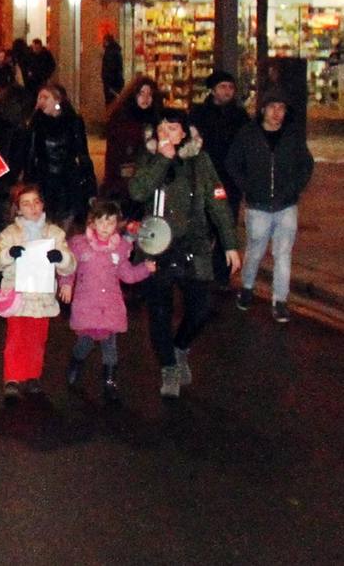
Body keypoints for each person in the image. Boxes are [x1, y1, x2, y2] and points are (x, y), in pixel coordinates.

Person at [129, 109, 240, 399]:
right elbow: (137, 191)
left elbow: (218, 201)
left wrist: (230, 244)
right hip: (156, 246)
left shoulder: (200, 161)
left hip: (193, 245)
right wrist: (161, 160)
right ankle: (169, 366)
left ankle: (180, 348)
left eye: (173, 129)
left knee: (201, 310)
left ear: (185, 133)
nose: (166, 134)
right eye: (161, 129)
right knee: (160, 312)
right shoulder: (149, 157)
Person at [225, 91, 313, 324]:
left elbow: (306, 164)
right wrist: (248, 187)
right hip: (258, 206)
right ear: (263, 109)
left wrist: (294, 188)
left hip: (286, 205)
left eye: (281, 108)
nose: (277, 112)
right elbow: (232, 163)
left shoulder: (292, 136)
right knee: (255, 250)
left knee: (283, 253)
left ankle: (280, 300)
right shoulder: (248, 134)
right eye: (272, 107)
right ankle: (247, 287)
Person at [0, 183, 77, 400]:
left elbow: (70, 265)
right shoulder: (10, 234)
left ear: (43, 204)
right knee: (16, 338)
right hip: (18, 296)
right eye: (26, 204)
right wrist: (9, 254)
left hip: (42, 297)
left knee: (37, 339)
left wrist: (60, 258)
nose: (33, 207)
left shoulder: (54, 234)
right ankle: (12, 378)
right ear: (18, 209)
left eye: (36, 202)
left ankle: (32, 376)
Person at [61, 198, 156, 402]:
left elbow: (127, 274)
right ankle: (76, 361)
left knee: (109, 345)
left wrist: (144, 269)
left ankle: (109, 381)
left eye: (111, 222)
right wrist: (66, 283)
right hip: (87, 304)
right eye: (101, 221)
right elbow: (68, 266)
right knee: (85, 342)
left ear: (117, 225)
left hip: (110, 305)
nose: (105, 227)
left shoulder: (120, 248)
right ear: (93, 222)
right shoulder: (79, 244)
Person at [191, 70, 249, 287]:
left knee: (226, 225)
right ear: (213, 90)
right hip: (204, 179)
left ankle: (221, 275)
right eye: (223, 87)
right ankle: (200, 274)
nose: (227, 91)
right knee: (202, 227)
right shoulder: (199, 114)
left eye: (231, 87)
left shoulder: (240, 117)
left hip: (230, 181)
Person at [20, 81, 97, 227]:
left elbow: (83, 153)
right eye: (39, 98)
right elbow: (29, 153)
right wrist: (28, 182)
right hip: (45, 178)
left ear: (57, 100)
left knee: (66, 220)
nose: (41, 102)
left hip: (68, 179)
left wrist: (90, 184)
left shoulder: (73, 121)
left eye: (45, 97)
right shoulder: (36, 122)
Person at [100, 75, 160, 202]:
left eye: (150, 94)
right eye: (141, 93)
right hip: (125, 178)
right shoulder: (121, 120)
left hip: (147, 178)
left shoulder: (155, 119)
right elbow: (114, 155)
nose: (146, 98)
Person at [100, 33, 125, 104]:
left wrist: (108, 84)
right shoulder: (116, 51)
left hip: (112, 85)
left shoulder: (110, 52)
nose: (102, 43)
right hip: (116, 83)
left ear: (106, 41)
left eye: (103, 41)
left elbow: (110, 69)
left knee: (111, 103)